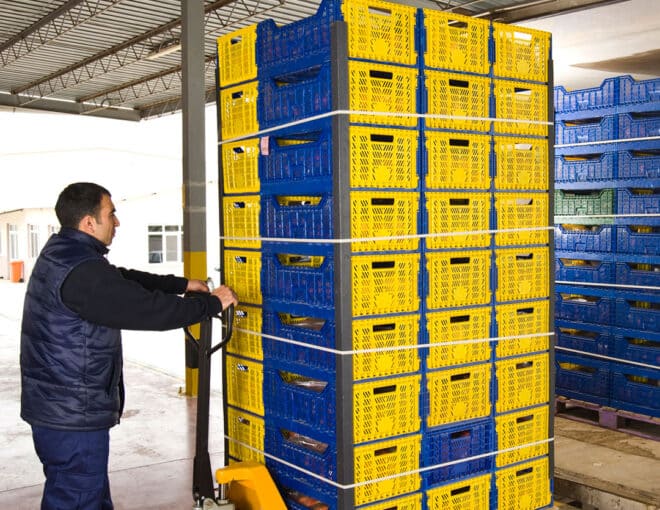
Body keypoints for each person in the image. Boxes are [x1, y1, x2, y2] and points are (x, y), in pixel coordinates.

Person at [20, 182, 238, 509]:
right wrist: (210, 305)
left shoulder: (64, 254)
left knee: (81, 493)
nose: (117, 222)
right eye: (111, 214)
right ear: (89, 223)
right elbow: (144, 309)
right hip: (72, 414)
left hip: (56, 408)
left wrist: (180, 284)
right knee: (78, 498)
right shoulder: (83, 273)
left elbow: (120, 280)